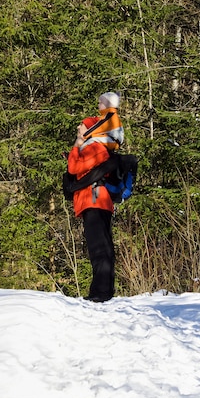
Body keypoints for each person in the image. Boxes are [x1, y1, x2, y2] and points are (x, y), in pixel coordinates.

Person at [67, 116, 116, 302]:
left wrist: (76, 146)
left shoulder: (94, 147)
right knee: (101, 246)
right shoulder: (93, 147)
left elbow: (74, 168)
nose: (78, 127)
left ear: (89, 130)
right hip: (94, 201)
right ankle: (102, 290)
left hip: (94, 200)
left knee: (99, 248)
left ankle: (101, 293)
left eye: (82, 125)